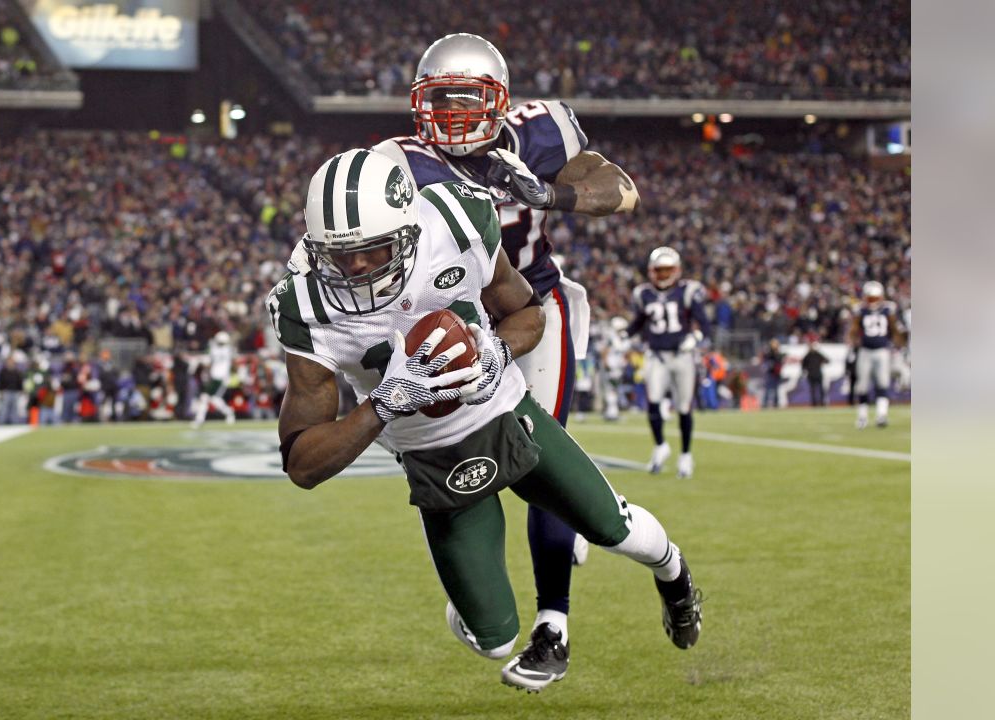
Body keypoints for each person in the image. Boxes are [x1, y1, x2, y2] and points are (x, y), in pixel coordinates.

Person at [271, 150, 701, 694]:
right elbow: (303, 464)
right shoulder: (306, 302)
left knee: (612, 528)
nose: (355, 268)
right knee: (494, 639)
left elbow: (527, 312)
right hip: (433, 459)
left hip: (507, 413)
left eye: (371, 250)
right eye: (340, 254)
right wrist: (382, 403)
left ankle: (675, 574)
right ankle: (473, 609)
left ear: (408, 230)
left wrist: (496, 349)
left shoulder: (454, 222)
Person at [370, 33, 640, 684]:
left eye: (469, 100)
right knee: (442, 458)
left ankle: (554, 627)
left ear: (500, 102)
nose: (455, 115)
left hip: (535, 311)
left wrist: (550, 196)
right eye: (442, 101)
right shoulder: (395, 165)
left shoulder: (538, 135)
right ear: (418, 102)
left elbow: (621, 189)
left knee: (538, 467)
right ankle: (489, 585)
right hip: (455, 326)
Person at [628, 247, 711, 478]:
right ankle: (660, 446)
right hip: (656, 355)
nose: (663, 275)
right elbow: (639, 321)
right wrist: (625, 334)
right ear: (651, 271)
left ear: (676, 270)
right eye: (659, 270)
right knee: (653, 402)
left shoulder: (688, 291)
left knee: (684, 407)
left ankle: (686, 456)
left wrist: (694, 338)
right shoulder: (643, 293)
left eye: (667, 270)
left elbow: (704, 324)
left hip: (682, 356)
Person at [848, 281, 903, 428]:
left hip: (882, 351)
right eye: (870, 298)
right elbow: (853, 330)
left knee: (883, 383)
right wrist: (852, 343)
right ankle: (862, 417)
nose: (872, 302)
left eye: (875, 298)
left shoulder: (888, 310)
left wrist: (898, 345)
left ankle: (881, 415)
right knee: (862, 385)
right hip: (865, 350)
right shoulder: (860, 311)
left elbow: (894, 329)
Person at [190, 331, 236, 428]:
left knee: (206, 397)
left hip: (220, 377)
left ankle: (200, 419)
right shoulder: (227, 349)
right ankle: (228, 413)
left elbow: (207, 361)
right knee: (212, 398)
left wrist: (199, 361)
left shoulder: (216, 349)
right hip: (219, 377)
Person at [0, 356, 25, 425]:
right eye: (9, 361)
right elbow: (0, 382)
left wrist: (21, 390)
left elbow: (20, 382)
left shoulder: (17, 372)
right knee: (4, 409)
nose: (10, 363)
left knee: (14, 409)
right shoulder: (3, 372)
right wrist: (0, 391)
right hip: (6, 392)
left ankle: (14, 423)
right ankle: (1, 423)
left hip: (15, 392)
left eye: (11, 361)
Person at [801, 340, 829, 407]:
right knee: (813, 390)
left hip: (818, 374)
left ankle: (822, 403)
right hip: (811, 375)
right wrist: (805, 371)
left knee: (821, 390)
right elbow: (803, 365)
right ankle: (814, 404)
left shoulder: (818, 354)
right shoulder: (807, 355)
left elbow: (827, 360)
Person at [762, 339, 785, 408]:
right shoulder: (769, 353)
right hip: (770, 373)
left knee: (776, 390)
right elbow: (766, 361)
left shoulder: (778, 353)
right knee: (768, 389)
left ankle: (776, 403)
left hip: (777, 373)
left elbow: (780, 361)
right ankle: (765, 404)